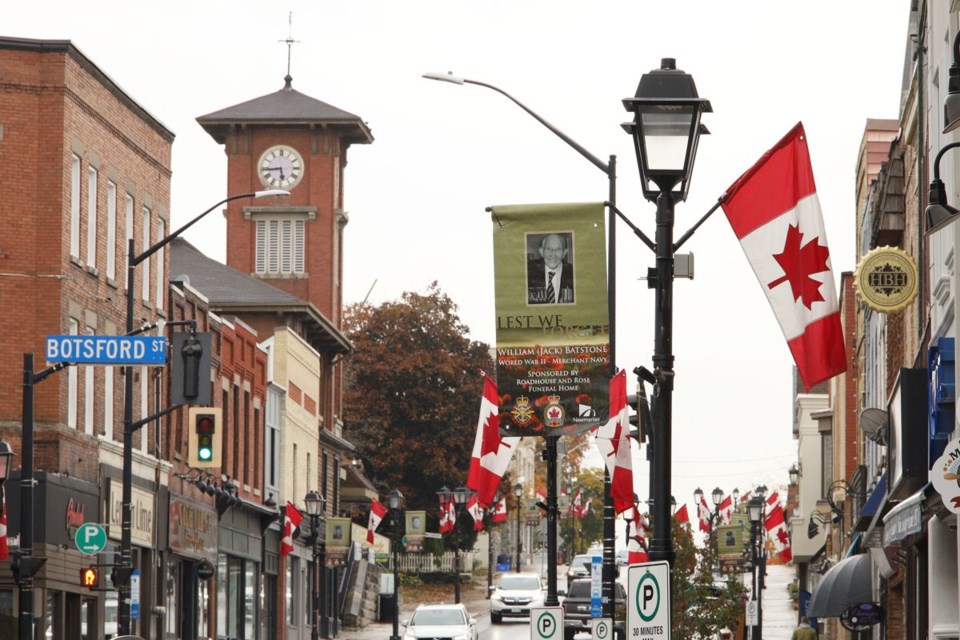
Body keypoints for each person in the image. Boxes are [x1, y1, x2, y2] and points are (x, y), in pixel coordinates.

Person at [527, 233, 574, 304]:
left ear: (564, 253)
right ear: (541, 252)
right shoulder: (527, 271)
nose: (553, 254)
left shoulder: (574, 272)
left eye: (558, 249)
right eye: (549, 249)